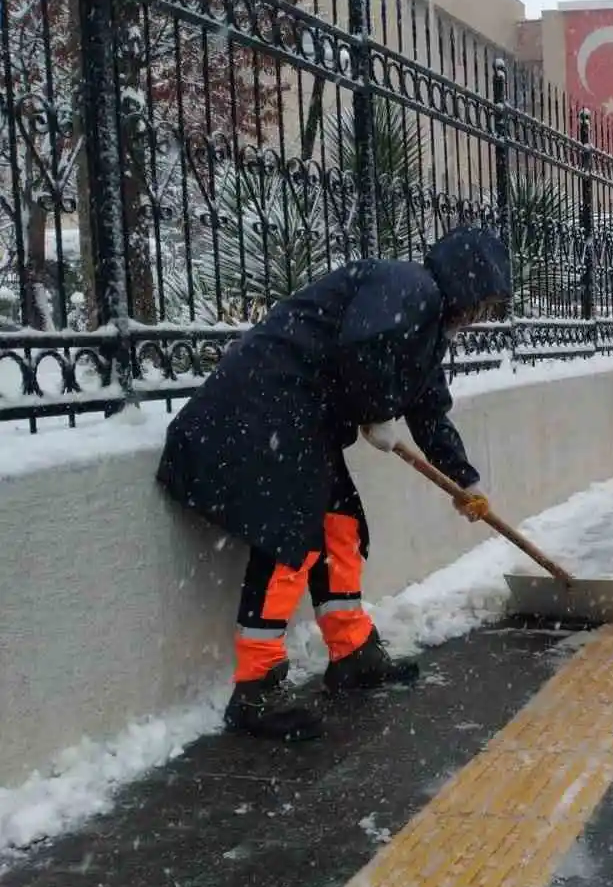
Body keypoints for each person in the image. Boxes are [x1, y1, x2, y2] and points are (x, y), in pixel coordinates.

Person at [156, 227, 513, 742]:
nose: (480, 316)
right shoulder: (408, 286)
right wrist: (375, 408)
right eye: (482, 302)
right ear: (463, 284)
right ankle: (255, 686)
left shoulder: (428, 327)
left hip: (301, 419)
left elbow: (430, 409)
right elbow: (362, 345)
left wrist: (464, 479)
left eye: (490, 307)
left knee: (338, 523)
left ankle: (352, 653)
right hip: (265, 404)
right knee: (291, 536)